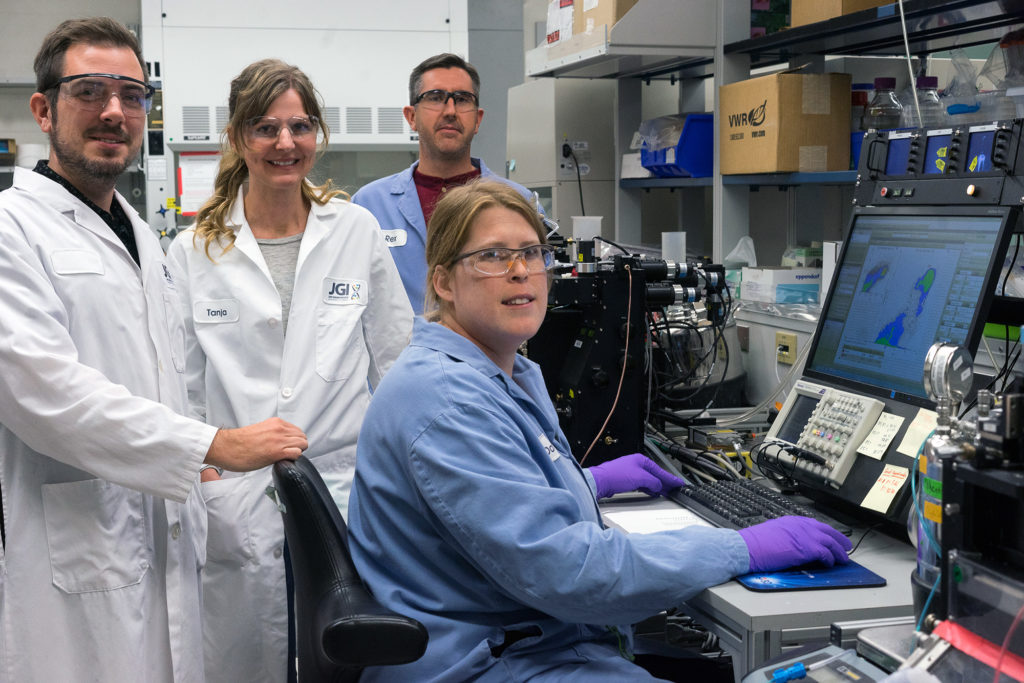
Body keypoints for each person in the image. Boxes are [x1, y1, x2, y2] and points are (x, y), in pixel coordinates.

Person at [347, 180, 852, 682]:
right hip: (495, 663)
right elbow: (567, 572)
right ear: (443, 283)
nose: (520, 270)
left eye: (531, 252)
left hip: (524, 641)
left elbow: (492, 505)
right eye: (493, 256)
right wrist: (741, 547)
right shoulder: (448, 400)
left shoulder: (491, 371)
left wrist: (589, 482)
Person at [0, 18, 308, 682]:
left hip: (167, 542)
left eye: (132, 95)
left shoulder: (141, 237)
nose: (114, 111)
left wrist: (199, 470)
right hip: (75, 551)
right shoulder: (11, 231)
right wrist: (211, 445)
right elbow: (40, 391)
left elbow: (168, 375)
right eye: (90, 90)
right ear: (43, 108)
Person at [166, 59, 413, 683]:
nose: (285, 143)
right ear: (237, 137)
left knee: (342, 663)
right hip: (237, 497)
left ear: (317, 135)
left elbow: (397, 364)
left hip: (346, 489)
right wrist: (209, 468)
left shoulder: (354, 230)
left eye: (300, 126)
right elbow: (182, 385)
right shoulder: (193, 250)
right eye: (265, 127)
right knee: (247, 659)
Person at [353, 53, 539, 314]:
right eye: (435, 98)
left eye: (462, 99)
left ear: (478, 119)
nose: (450, 111)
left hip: (485, 354)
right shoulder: (369, 204)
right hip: (399, 354)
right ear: (411, 117)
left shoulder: (519, 202)